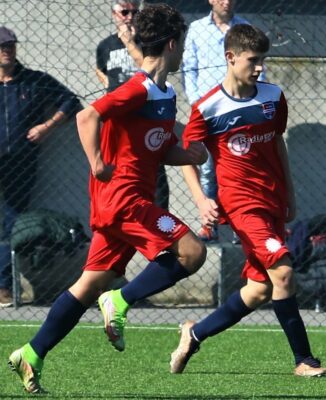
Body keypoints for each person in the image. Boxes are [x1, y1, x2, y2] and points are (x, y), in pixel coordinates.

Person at [8, 4, 208, 393]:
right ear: (172, 44)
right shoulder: (136, 87)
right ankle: (121, 299)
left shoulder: (163, 92)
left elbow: (156, 148)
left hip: (121, 203)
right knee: (192, 252)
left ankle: (31, 354)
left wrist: (188, 154)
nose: (183, 52)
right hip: (125, 200)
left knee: (87, 285)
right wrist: (97, 161)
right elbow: (87, 117)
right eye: (182, 45)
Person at [173, 23, 326, 378]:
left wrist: (289, 192)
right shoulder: (208, 107)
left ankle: (193, 334)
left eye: (263, 60)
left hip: (272, 201)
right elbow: (187, 156)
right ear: (230, 57)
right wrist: (201, 200)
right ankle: (304, 360)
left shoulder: (273, 98)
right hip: (241, 206)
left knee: (260, 290)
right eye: (253, 60)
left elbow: (277, 144)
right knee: (284, 272)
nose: (259, 67)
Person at [0, 26, 81, 307]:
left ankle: (4, 287)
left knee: (9, 224)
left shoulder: (32, 81)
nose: (7, 50)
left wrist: (46, 127)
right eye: (2, 46)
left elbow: (71, 102)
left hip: (20, 164)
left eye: (10, 45)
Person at [182, 0, 265, 243]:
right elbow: (190, 69)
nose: (226, 2)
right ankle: (210, 224)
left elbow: (259, 66)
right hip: (209, 112)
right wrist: (198, 103)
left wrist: (254, 103)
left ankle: (242, 224)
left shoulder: (245, 28)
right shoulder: (197, 29)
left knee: (242, 167)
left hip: (239, 110)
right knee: (208, 169)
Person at [96, 0, 170, 211]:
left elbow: (147, 69)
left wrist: (130, 42)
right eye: (124, 12)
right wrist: (109, 85)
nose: (129, 17)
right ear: (114, 14)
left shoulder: (148, 43)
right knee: (118, 169)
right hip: (118, 120)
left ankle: (159, 220)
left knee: (154, 169)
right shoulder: (105, 45)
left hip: (145, 115)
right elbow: (99, 68)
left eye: (135, 12)